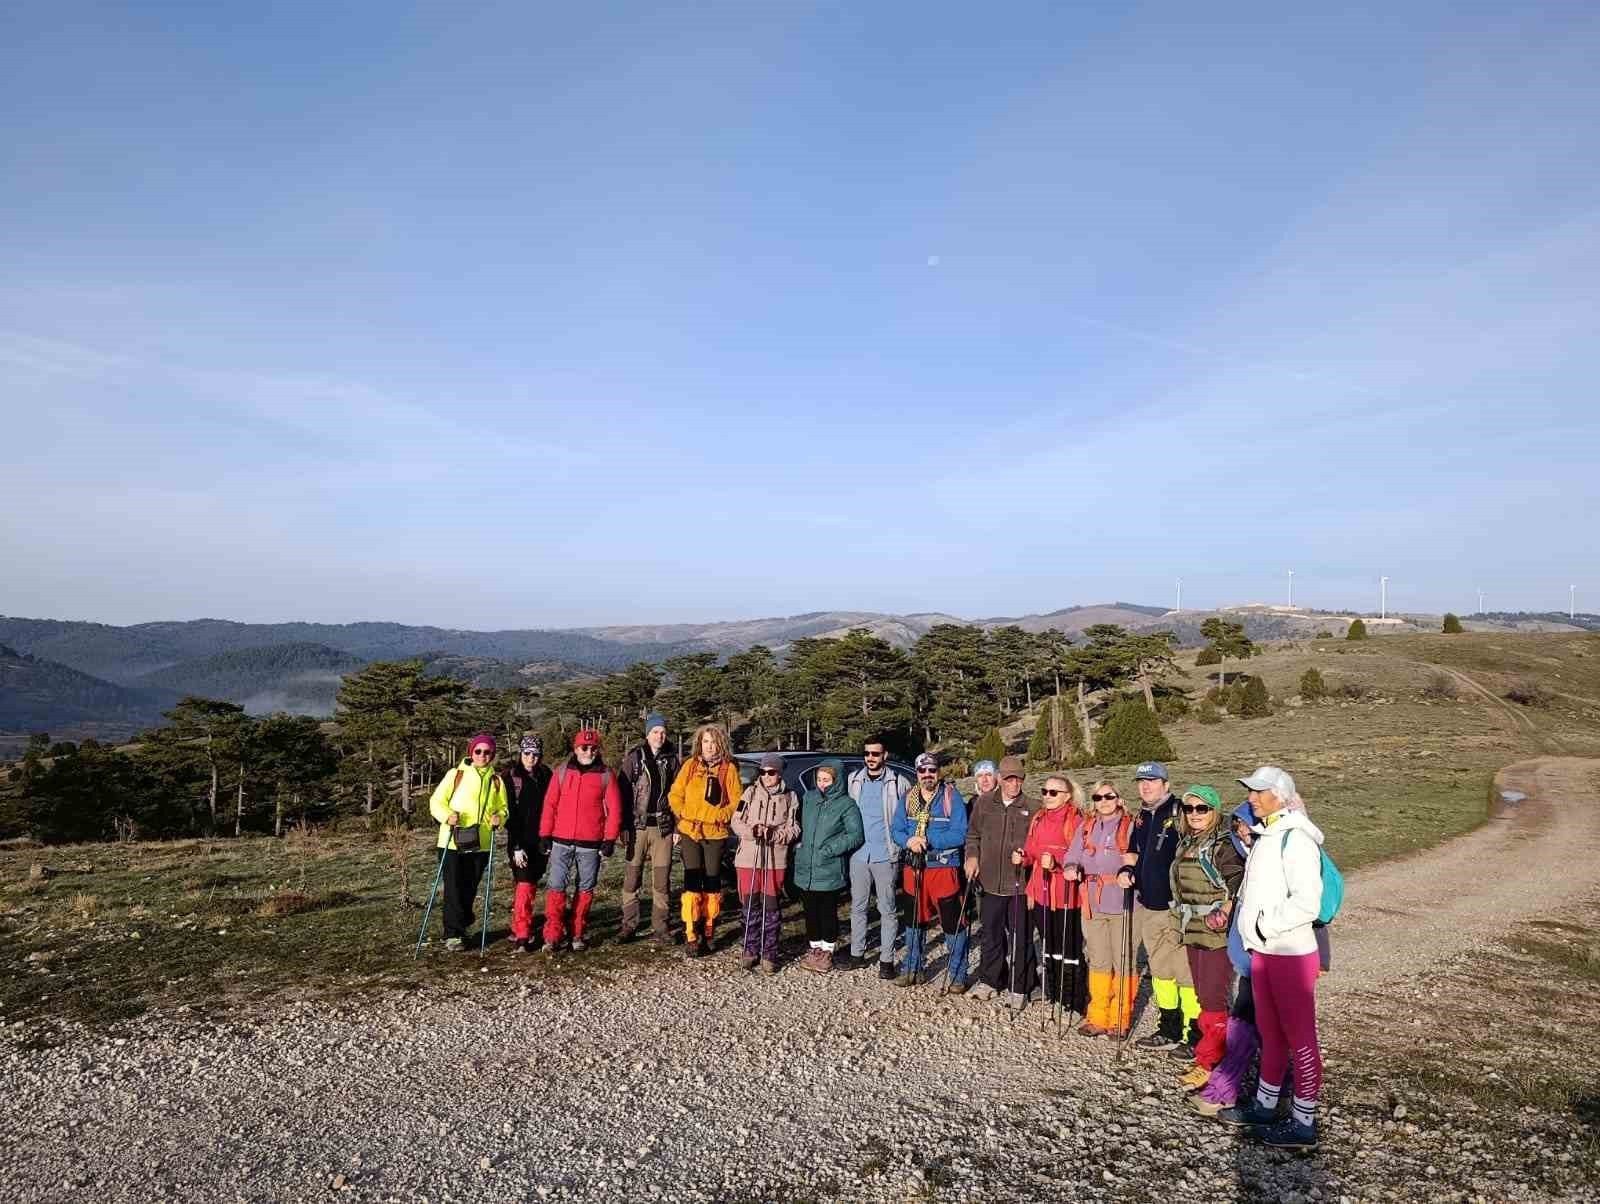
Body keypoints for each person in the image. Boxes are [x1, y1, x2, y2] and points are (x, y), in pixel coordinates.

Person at [1217, 766, 1326, 1151]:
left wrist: (1264, 927)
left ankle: (1304, 1121)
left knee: (1300, 1037)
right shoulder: (1269, 835)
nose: (1251, 798)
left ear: (1279, 795)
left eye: (1259, 792)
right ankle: (1265, 1105)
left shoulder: (1295, 839)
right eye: (1250, 791)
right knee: (1272, 1033)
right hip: (1264, 952)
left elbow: (1307, 902)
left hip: (1290, 953)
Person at [1167, 785, 1246, 1087]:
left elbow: (1239, 882)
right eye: (1190, 809)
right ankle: (1212, 1059)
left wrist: (1225, 911)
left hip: (1215, 933)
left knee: (1214, 1000)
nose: (1195, 814)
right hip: (1192, 930)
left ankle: (1213, 1064)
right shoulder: (1189, 841)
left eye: (1203, 808)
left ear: (1215, 811)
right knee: (1204, 998)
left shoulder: (1222, 845)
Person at [1193, 800, 1262, 1117]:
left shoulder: (1270, 859)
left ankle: (1224, 1090)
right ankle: (1276, 1091)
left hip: (1273, 954)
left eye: (1247, 825)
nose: (1242, 831)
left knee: (1247, 1021)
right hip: (1250, 956)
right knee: (1259, 1023)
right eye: (1237, 826)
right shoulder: (1251, 860)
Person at [1126, 762, 1199, 1051]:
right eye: (1142, 781)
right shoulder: (1142, 815)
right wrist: (1126, 870)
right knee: (1160, 969)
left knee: (1186, 971)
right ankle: (1168, 1028)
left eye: (1152, 781)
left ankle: (1194, 1034)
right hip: (1149, 904)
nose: (1146, 786)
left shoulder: (1182, 811)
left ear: (1166, 785)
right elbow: (1133, 850)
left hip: (1178, 907)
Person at [889, 753, 970, 988]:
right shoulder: (907, 798)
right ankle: (912, 969)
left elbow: (960, 832)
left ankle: (957, 974)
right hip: (914, 868)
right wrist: (908, 841)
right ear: (917, 773)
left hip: (943, 867)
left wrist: (927, 838)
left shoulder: (950, 797)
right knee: (914, 920)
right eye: (922, 772)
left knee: (952, 922)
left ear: (939, 772)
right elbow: (896, 829)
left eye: (932, 771)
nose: (927, 776)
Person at [538, 729, 623, 953]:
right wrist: (545, 834)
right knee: (556, 886)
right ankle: (553, 934)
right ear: (575, 749)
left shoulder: (606, 775)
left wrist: (609, 839)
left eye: (593, 748)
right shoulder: (562, 772)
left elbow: (614, 810)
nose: (589, 751)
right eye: (584, 748)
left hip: (591, 844)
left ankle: (577, 933)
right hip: (560, 841)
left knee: (585, 888)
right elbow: (550, 804)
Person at [1063, 780, 1137, 1035]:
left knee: (1123, 960)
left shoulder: (1130, 826)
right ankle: (1097, 1016)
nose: (1103, 801)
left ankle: (1120, 1017)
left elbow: (1140, 857)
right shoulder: (1086, 826)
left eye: (1109, 796)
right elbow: (1071, 855)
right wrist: (1071, 867)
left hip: (1123, 902)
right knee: (1098, 960)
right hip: (1092, 902)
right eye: (1098, 797)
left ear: (1118, 798)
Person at [964, 755, 1038, 1007]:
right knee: (991, 935)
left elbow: (1038, 845)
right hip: (989, 883)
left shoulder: (1033, 806)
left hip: (1019, 885)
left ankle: (1022, 986)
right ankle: (990, 980)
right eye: (1008, 779)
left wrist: (1027, 857)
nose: (1013, 784)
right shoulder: (984, 803)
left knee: (1021, 937)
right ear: (999, 779)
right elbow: (972, 835)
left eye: (1017, 779)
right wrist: (972, 858)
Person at [426, 731, 508, 951]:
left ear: (493, 755)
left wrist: (499, 818)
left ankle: (461, 924)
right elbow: (436, 801)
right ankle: (453, 934)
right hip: (452, 841)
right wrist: (446, 816)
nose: (483, 755)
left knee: (470, 887)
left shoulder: (496, 781)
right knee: (453, 887)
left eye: (487, 752)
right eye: (478, 751)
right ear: (471, 752)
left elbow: (503, 808)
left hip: (481, 842)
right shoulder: (456, 775)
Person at [669, 723, 744, 958]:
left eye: (713, 742)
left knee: (712, 883)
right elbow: (675, 793)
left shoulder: (728, 769)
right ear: (699, 744)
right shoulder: (690, 766)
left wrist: (720, 816)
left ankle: (709, 930)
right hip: (690, 832)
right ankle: (692, 934)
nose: (709, 746)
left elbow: (737, 801)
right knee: (692, 882)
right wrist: (682, 813)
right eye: (705, 742)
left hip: (715, 833)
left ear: (720, 743)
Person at [1020, 775, 1087, 1017]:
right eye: (1045, 791)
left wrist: (1057, 863)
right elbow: (1031, 851)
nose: (1047, 796)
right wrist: (1023, 857)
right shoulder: (1038, 818)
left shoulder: (1076, 820)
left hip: (1067, 894)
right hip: (1041, 891)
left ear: (1067, 796)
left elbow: (1081, 857)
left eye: (1053, 792)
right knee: (1049, 946)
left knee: (1069, 948)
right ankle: (1055, 993)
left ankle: (1075, 999)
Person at [789, 758, 864, 973]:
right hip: (806, 865)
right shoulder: (809, 798)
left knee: (827, 912)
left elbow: (855, 834)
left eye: (827, 780)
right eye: (820, 779)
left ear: (837, 781)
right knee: (810, 911)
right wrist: (799, 845)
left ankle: (827, 951)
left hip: (828, 866)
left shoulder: (846, 804)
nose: (822, 784)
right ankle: (814, 949)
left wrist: (830, 849)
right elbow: (799, 824)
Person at [730, 752, 799, 972]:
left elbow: (795, 829)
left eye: (771, 772)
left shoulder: (791, 797)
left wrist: (776, 835)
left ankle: (769, 951)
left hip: (775, 858)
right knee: (750, 905)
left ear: (779, 773)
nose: (766, 776)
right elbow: (736, 821)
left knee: (771, 907)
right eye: (763, 772)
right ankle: (750, 949)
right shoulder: (749, 793)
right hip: (748, 857)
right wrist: (751, 830)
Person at [617, 713, 682, 946]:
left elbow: (677, 796)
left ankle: (661, 926)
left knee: (662, 880)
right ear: (647, 734)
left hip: (663, 828)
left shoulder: (672, 760)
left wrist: (677, 827)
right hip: (637, 827)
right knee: (632, 878)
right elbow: (622, 794)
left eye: (663, 732)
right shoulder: (634, 758)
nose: (660, 736)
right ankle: (629, 924)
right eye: (655, 731)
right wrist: (623, 826)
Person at [846, 738, 906, 979]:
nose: (870, 757)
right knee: (858, 907)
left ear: (885, 755)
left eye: (875, 754)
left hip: (885, 854)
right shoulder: (854, 780)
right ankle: (856, 954)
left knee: (887, 908)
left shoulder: (898, 782)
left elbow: (904, 817)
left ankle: (886, 960)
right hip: (859, 854)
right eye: (867, 753)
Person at [503, 734, 553, 952]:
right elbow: (508, 814)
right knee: (524, 884)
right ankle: (522, 935)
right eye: (527, 753)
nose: (531, 758)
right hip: (519, 840)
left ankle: (518, 926)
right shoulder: (510, 777)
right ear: (520, 753)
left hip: (541, 839)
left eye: (535, 754)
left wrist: (548, 837)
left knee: (531, 881)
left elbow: (552, 807)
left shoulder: (546, 774)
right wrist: (515, 846)